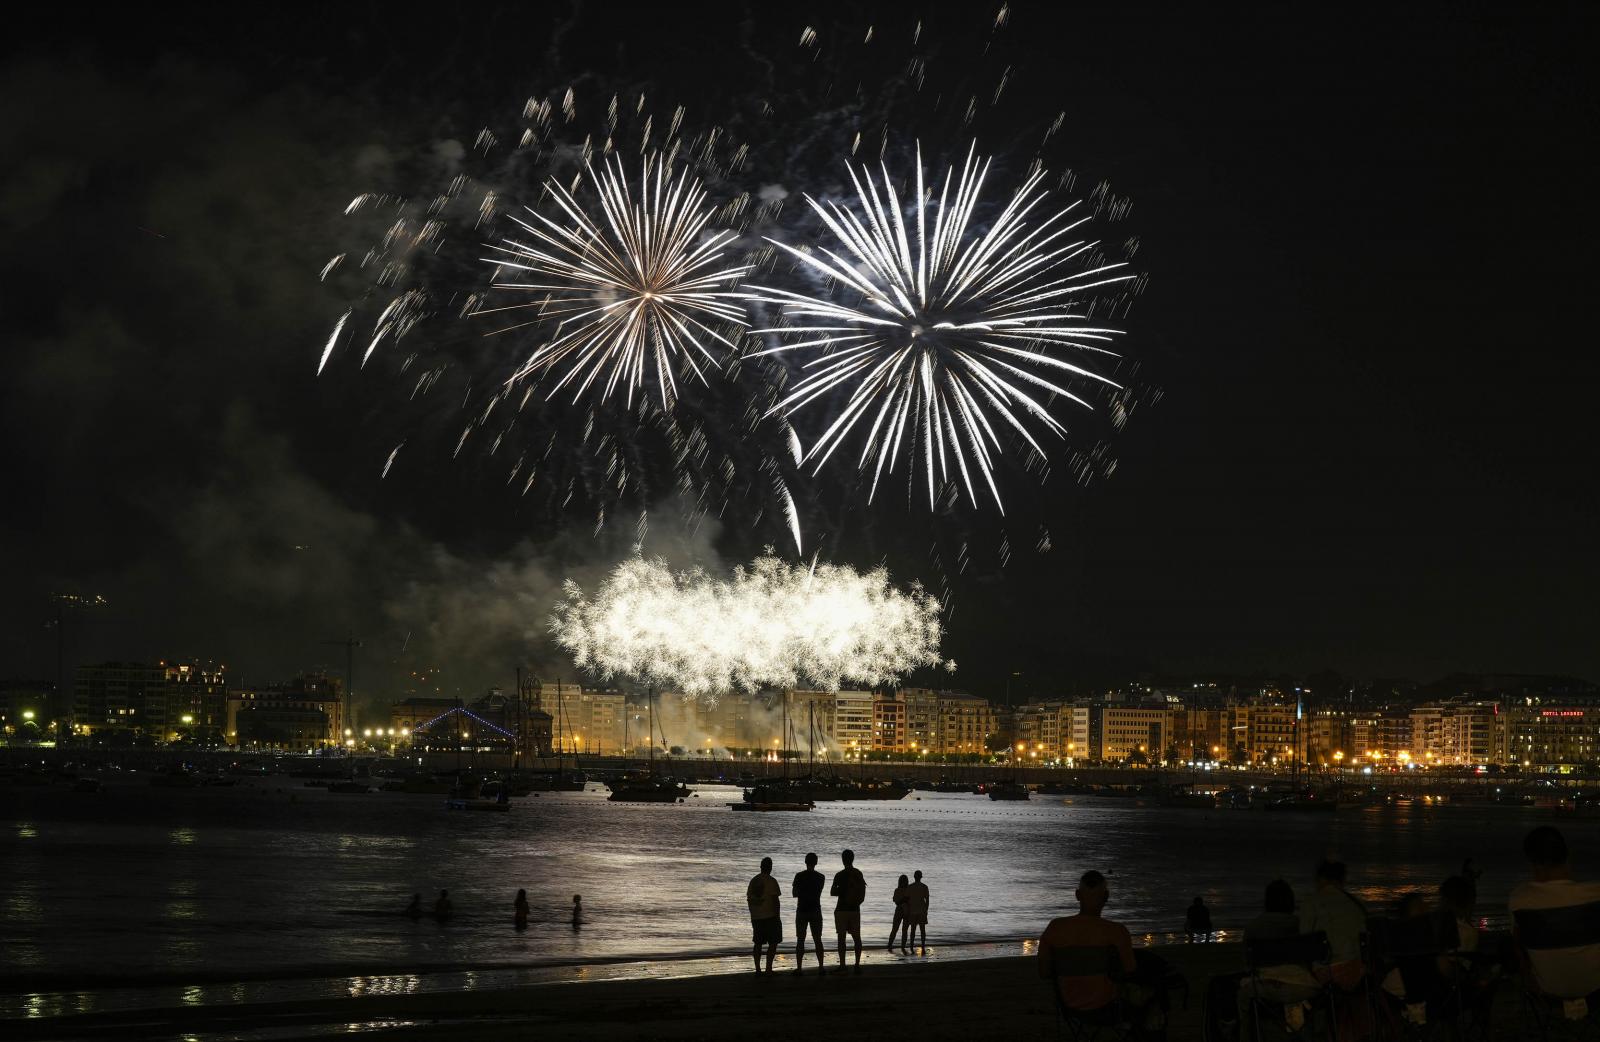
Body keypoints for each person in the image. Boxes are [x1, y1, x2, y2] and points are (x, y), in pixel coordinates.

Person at [1508, 825, 1600, 1002]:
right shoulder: (1595, 895)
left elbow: (1518, 947)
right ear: (1568, 856)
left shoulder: (1520, 900)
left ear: (1533, 863)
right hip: (1596, 990)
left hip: (1548, 993)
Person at [1037, 870, 1138, 1014]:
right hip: (1108, 1007)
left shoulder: (1055, 927)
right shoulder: (1117, 931)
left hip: (1068, 1007)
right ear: (1106, 896)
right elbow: (1130, 970)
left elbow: (1044, 972)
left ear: (1077, 895)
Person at [830, 848, 867, 973]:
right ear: (853, 859)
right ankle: (857, 965)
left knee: (841, 938)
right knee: (857, 938)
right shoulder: (858, 873)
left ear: (842, 860)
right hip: (855, 909)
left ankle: (842, 965)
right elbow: (862, 893)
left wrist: (842, 890)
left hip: (841, 909)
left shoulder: (839, 875)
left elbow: (832, 892)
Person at [792, 852, 827, 975]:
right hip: (815, 909)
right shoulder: (821, 877)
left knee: (800, 939)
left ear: (805, 862)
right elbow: (818, 892)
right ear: (816, 862)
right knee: (817, 939)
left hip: (802, 909)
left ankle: (799, 968)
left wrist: (803, 891)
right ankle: (821, 967)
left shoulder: (799, 876)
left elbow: (794, 894)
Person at [747, 856, 782, 974]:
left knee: (758, 943)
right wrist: (777, 916)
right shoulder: (772, 881)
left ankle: (758, 969)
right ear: (770, 868)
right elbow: (775, 901)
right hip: (770, 916)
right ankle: (768, 968)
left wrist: (752, 914)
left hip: (756, 916)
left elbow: (749, 899)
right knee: (773, 943)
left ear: (761, 867)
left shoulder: (753, 881)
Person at [905, 870, 930, 951]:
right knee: (922, 930)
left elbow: (907, 900)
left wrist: (907, 910)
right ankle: (923, 946)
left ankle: (911, 946)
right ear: (921, 877)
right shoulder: (924, 887)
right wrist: (926, 910)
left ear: (914, 877)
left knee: (913, 929)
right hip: (922, 910)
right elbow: (927, 900)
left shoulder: (910, 887)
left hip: (912, 911)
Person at [887, 874, 909, 950]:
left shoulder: (897, 890)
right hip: (906, 910)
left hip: (899, 910)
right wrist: (904, 900)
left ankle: (890, 945)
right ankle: (902, 946)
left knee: (895, 929)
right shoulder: (908, 890)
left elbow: (895, 901)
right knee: (904, 930)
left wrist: (901, 901)